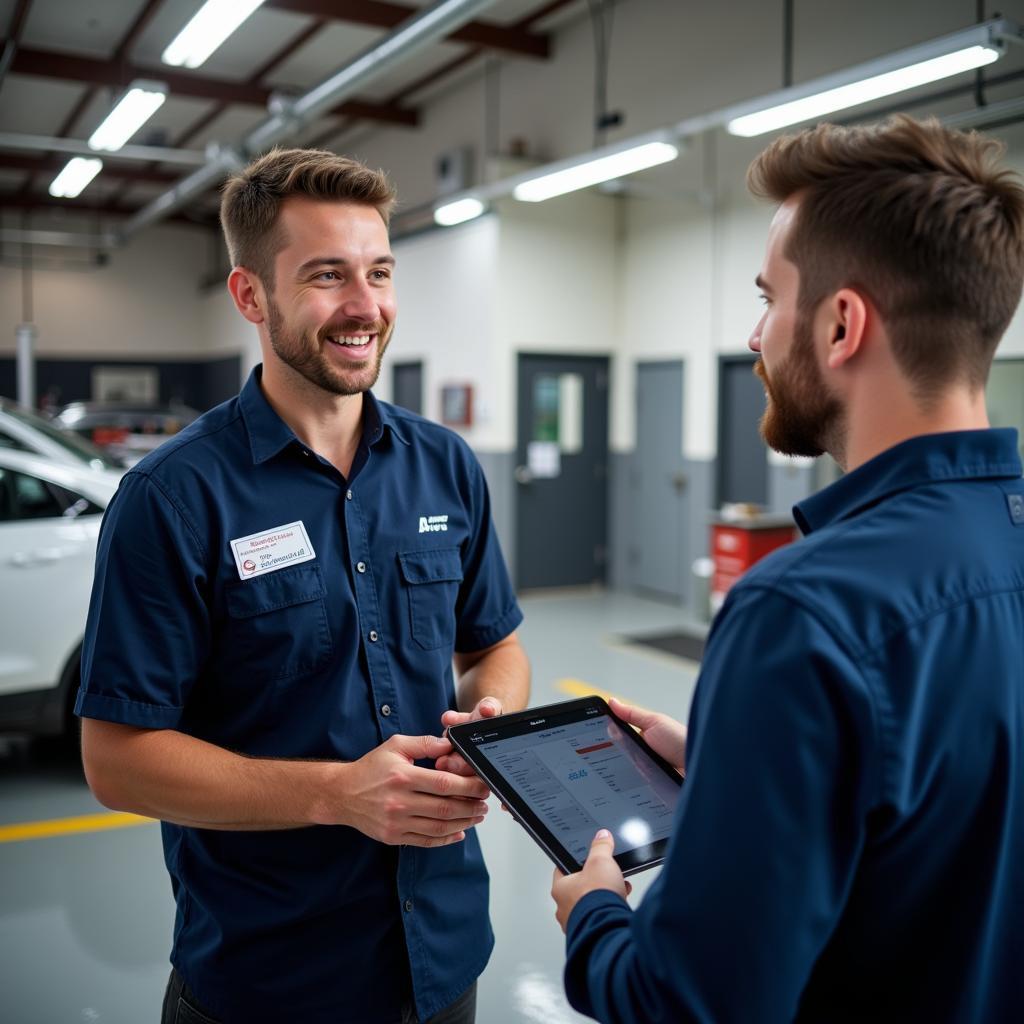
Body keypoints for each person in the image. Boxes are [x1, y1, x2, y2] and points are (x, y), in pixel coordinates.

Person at [550, 114, 1024, 1021]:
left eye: (769, 298)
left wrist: (597, 916)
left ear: (843, 323)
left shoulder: (802, 611)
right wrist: (741, 763)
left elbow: (689, 1003)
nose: (756, 336)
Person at [76, 148, 530, 1024]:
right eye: (327, 276)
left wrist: (493, 721)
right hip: (270, 979)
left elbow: (495, 645)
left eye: (380, 273)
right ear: (251, 296)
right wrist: (334, 794)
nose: (366, 307)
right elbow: (117, 760)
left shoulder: (445, 467)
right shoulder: (173, 498)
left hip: (443, 961)